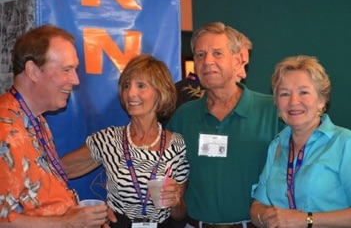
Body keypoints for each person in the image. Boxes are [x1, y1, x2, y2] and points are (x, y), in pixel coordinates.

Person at [166, 22, 283, 227]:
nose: (207, 61)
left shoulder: (273, 111)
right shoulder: (184, 116)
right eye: (200, 55)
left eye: (217, 53)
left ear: (238, 61)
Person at [61, 54, 190, 228]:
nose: (130, 93)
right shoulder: (108, 140)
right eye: (126, 85)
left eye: (141, 86)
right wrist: (89, 212)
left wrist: (176, 201)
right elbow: (55, 171)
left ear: (160, 94)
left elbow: (179, 214)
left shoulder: (177, 144)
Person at [0, 24, 108, 227]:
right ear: (32, 70)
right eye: (66, 70)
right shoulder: (6, 131)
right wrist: (67, 223)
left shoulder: (34, 118)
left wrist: (76, 217)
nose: (75, 80)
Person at [250, 55, 351, 228]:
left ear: (321, 101)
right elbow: (257, 206)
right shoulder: (277, 146)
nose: (293, 102)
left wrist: (305, 220)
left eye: (304, 92)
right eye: (284, 94)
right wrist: (265, 216)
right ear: (277, 103)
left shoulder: (347, 143)